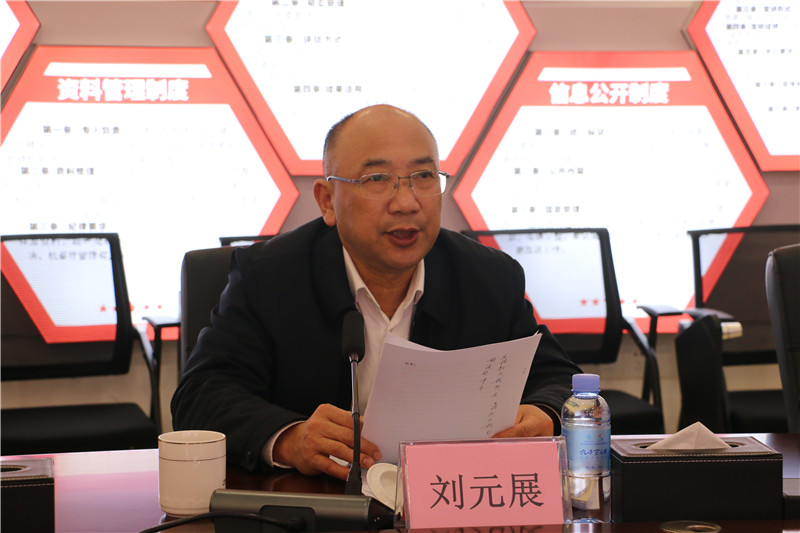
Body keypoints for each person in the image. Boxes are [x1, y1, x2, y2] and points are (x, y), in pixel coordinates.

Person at [171, 104, 581, 478]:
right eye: (377, 179)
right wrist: (291, 439)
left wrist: (543, 413)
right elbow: (201, 396)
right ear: (327, 200)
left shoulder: (488, 277)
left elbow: (561, 380)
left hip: (448, 499)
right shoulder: (269, 277)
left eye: (423, 177)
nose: (406, 203)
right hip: (314, 506)